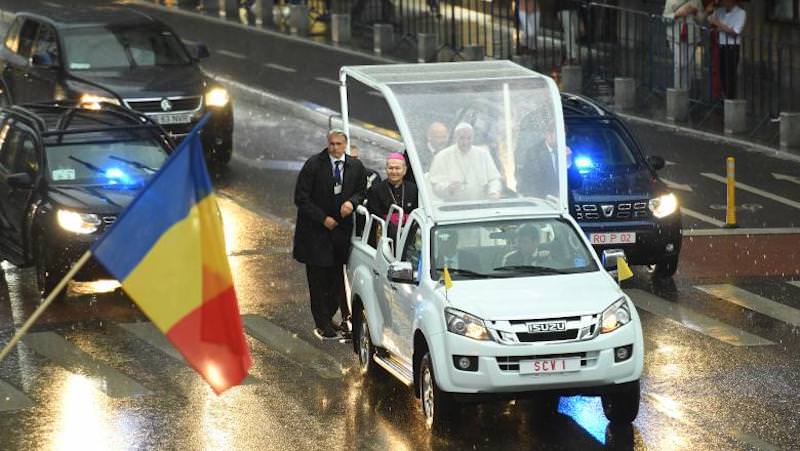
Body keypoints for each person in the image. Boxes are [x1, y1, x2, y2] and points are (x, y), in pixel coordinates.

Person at [293, 130, 367, 340]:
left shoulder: (355, 167)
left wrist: (351, 203)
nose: (335, 148)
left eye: (339, 144)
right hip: (316, 232)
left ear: (345, 145)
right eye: (332, 144)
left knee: (335, 278)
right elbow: (301, 197)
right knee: (318, 280)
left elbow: (361, 191)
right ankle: (322, 322)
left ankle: (330, 314)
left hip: (340, 233)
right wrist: (322, 218)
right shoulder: (314, 165)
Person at [427, 122, 503, 202]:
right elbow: (436, 185)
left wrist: (493, 191)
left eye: (469, 138)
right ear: (456, 138)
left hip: (479, 206)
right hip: (452, 208)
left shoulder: (483, 155)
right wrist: (448, 188)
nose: (465, 142)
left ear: (473, 138)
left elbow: (494, 179)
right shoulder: (442, 156)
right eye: (462, 138)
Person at [367, 153, 419, 241]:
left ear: (405, 170)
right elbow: (375, 215)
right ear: (386, 170)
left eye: (397, 168)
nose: (394, 172)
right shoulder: (375, 190)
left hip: (409, 230)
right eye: (390, 168)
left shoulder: (413, 188)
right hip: (385, 232)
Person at [663, 0, 707, 90]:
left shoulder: (696, 1)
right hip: (675, 36)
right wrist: (677, 14)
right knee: (679, 64)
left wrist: (695, 12)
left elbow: (701, 20)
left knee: (688, 66)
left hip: (692, 37)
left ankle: (686, 90)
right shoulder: (671, 1)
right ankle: (678, 91)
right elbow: (664, 19)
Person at [708, 0, 746, 99]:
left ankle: (730, 100)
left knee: (730, 75)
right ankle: (722, 100)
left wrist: (719, 25)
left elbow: (734, 32)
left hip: (732, 47)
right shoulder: (720, 11)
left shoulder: (741, 13)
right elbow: (711, 21)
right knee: (721, 74)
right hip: (721, 45)